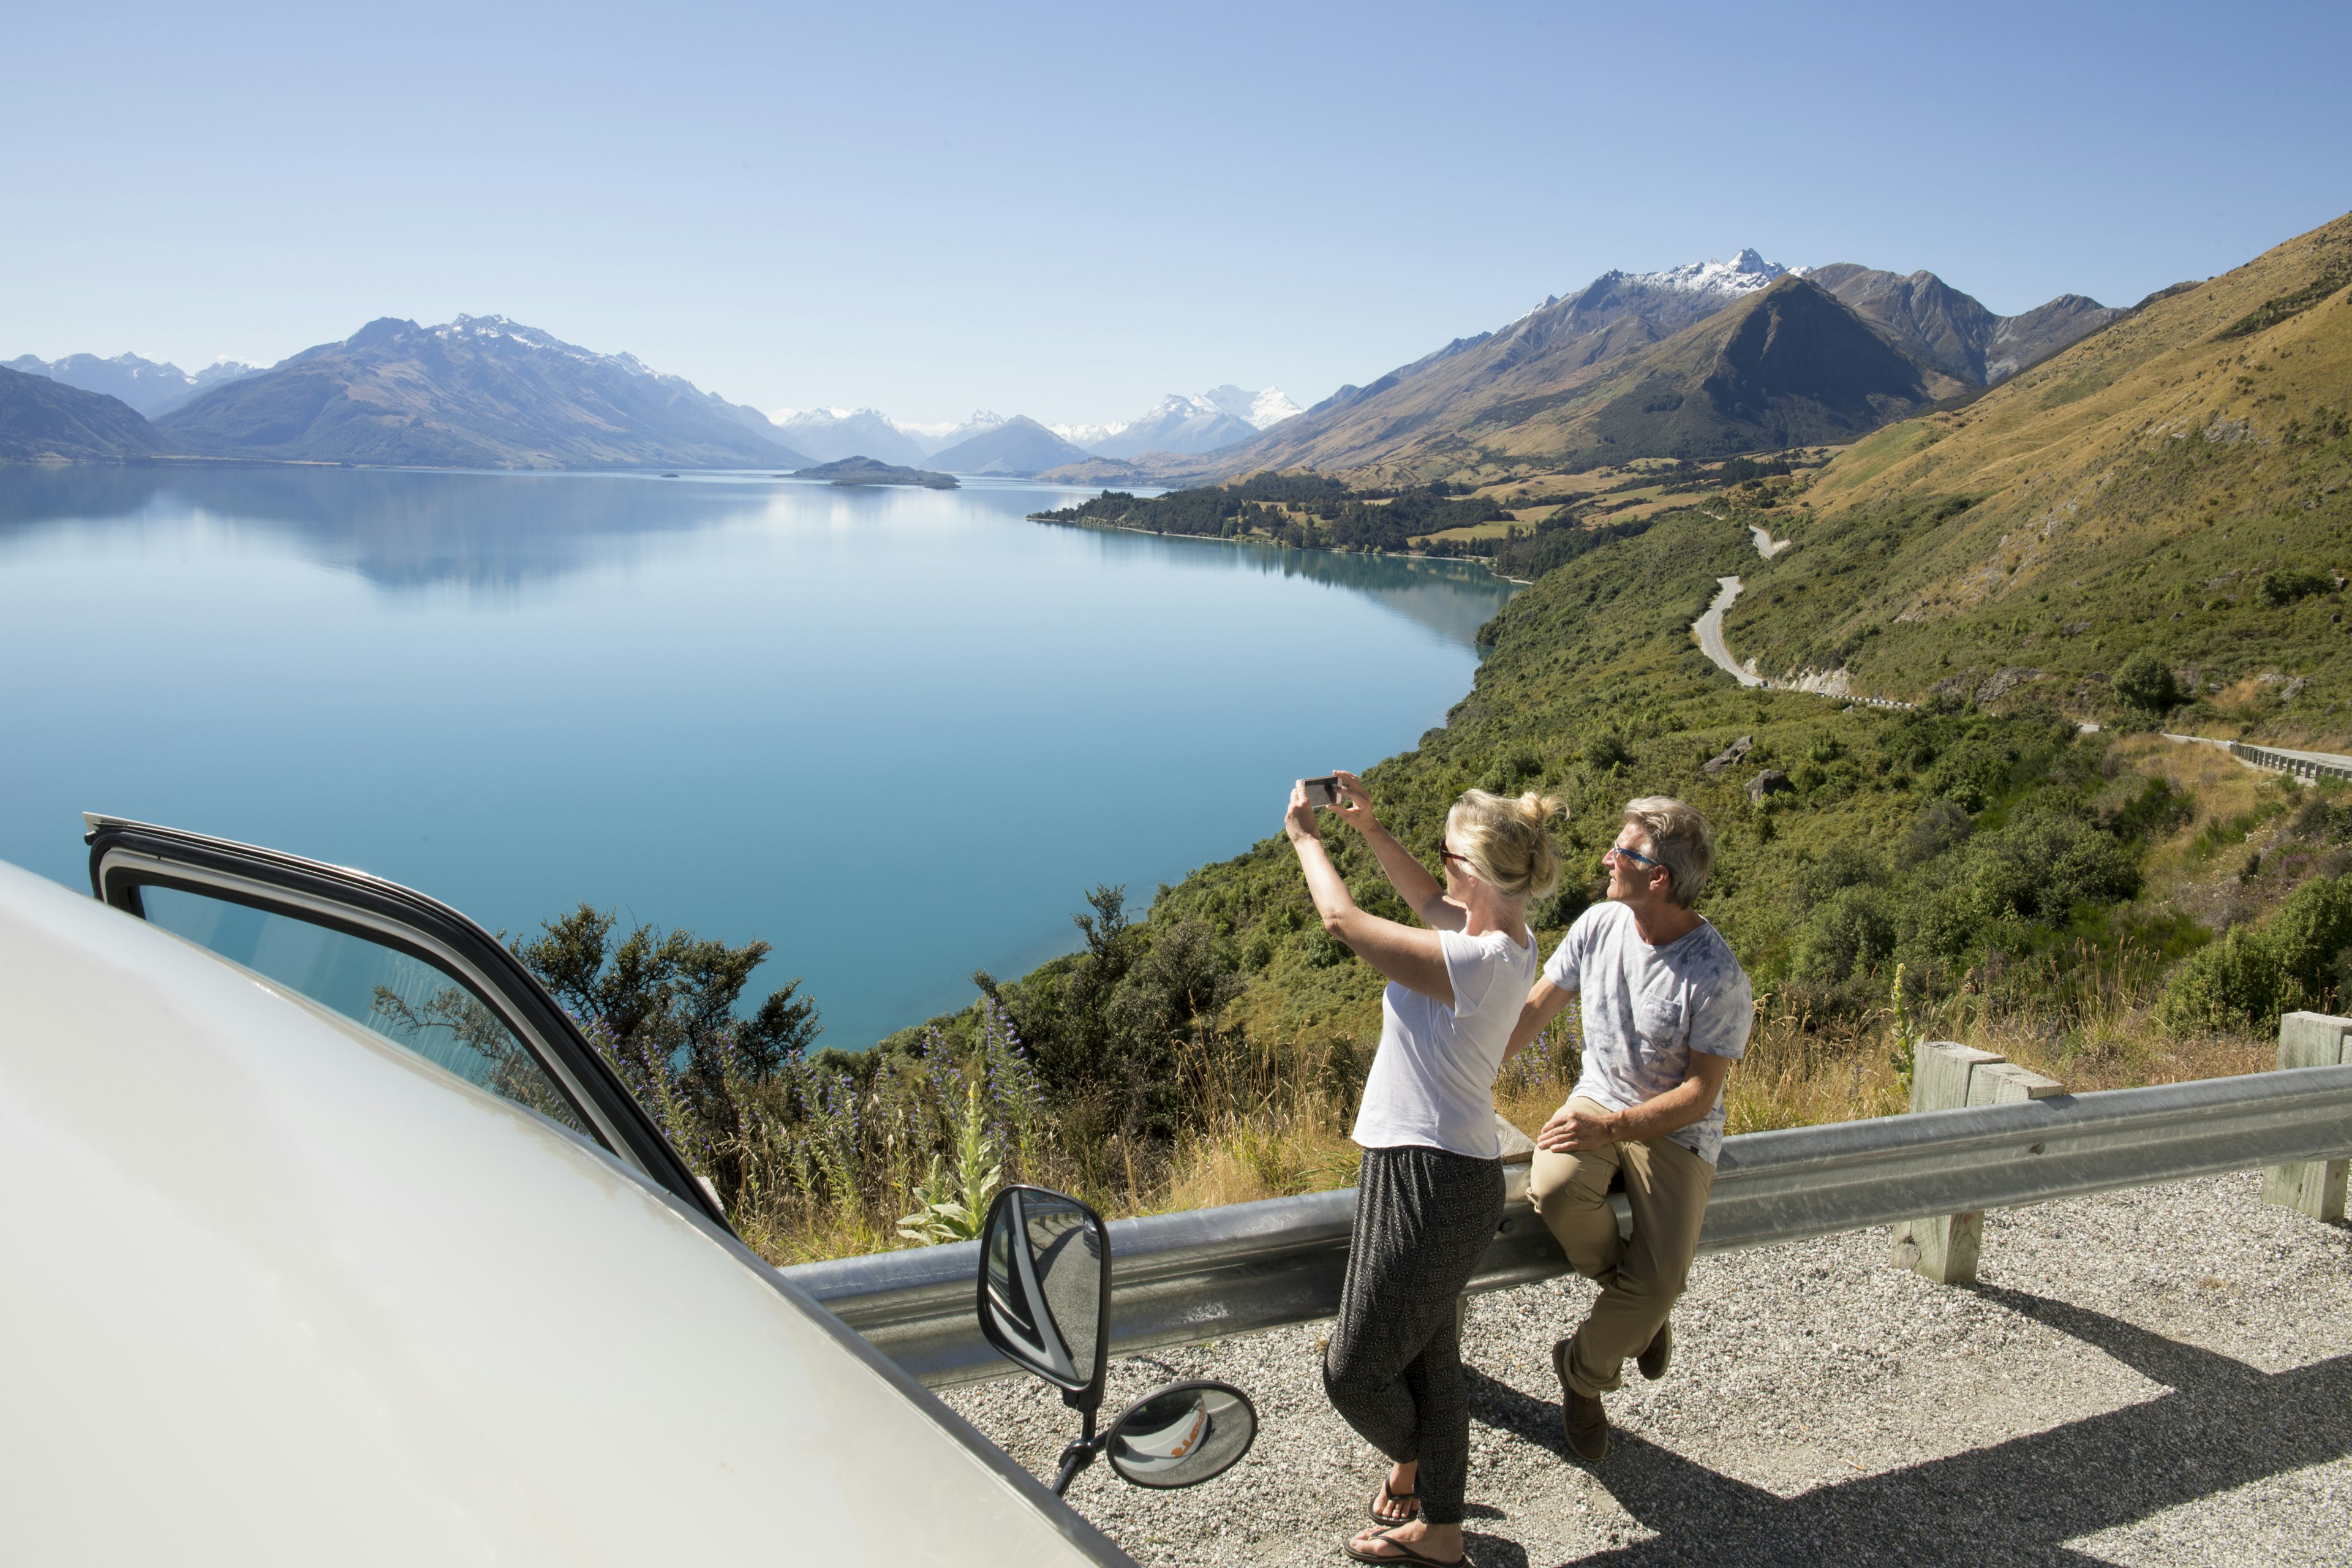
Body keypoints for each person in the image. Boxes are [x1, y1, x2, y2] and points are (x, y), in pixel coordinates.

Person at [1284, 769, 1564, 1568]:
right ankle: (1440, 1533)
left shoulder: (1476, 964)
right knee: (1434, 1366)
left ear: (1477, 873)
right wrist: (1370, 830)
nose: (1439, 867)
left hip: (1430, 1180)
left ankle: (1421, 1472)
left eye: (1448, 855)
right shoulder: (1507, 940)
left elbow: (1342, 919)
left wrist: (1307, 837)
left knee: (1356, 1375)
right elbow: (1429, 908)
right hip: (1434, 1169)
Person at [1504, 795, 1752, 1464]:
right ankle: (1640, 1313)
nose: (1608, 858)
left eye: (1625, 852)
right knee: (1554, 1191)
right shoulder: (1600, 925)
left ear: (1660, 877)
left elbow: (1700, 1094)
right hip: (1599, 1097)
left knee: (1661, 1278)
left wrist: (1612, 1127)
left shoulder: (1715, 975)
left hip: (1675, 1130)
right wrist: (1472, 1063)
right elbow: (1536, 1006)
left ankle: (1581, 1371)